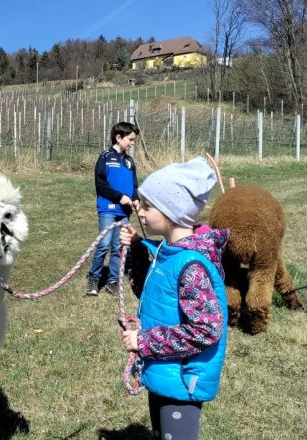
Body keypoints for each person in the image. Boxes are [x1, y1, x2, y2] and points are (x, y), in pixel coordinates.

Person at [118, 157, 229, 440]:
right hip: (164, 370)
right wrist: (136, 252)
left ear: (172, 211)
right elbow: (152, 294)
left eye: (147, 205)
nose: (139, 211)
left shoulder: (191, 267)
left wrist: (143, 342)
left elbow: (205, 330)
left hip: (181, 382)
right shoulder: (167, 254)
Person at [86, 121, 140, 296]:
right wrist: (119, 197)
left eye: (134, 140)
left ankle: (113, 281)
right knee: (104, 244)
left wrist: (135, 198)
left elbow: (134, 185)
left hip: (124, 212)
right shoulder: (105, 157)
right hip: (108, 209)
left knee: (119, 246)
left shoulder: (129, 161)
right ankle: (94, 278)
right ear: (119, 137)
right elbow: (100, 184)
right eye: (130, 139)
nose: (132, 143)